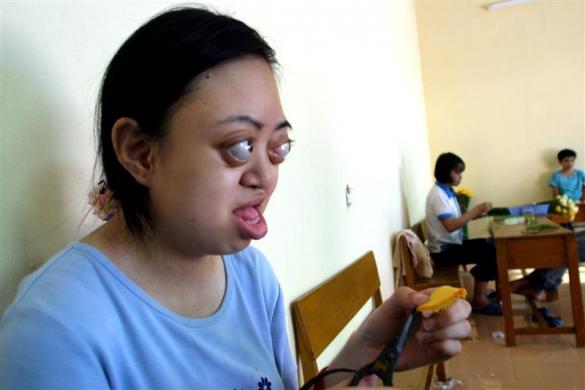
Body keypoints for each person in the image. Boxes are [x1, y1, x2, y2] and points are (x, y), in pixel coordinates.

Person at [0, 6, 471, 389]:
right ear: (140, 152)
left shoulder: (249, 275)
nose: (265, 175)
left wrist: (363, 355)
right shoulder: (55, 331)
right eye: (239, 146)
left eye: (277, 147)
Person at [425, 152, 502, 315]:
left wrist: (475, 215)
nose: (460, 177)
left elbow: (456, 221)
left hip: (451, 245)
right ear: (446, 171)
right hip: (442, 252)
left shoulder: (447, 192)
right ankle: (480, 300)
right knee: (489, 251)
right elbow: (451, 226)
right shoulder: (438, 196)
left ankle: (482, 287)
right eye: (457, 172)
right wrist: (475, 210)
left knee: (489, 244)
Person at [510, 148, 585, 301]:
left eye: (571, 160)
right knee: (566, 243)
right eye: (566, 160)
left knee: (566, 247)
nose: (569, 163)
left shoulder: (580, 174)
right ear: (560, 162)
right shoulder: (557, 176)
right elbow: (556, 195)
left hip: (578, 206)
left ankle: (533, 282)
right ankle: (539, 285)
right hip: (563, 206)